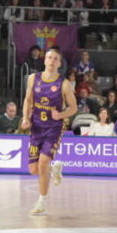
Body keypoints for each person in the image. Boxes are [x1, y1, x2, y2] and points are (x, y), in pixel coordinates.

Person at [20, 48, 77, 215]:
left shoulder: (64, 84)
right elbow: (27, 100)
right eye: (49, 57)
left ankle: (41, 201)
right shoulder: (33, 79)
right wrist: (25, 118)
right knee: (34, 169)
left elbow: (73, 108)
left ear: (59, 63)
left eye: (55, 58)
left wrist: (60, 114)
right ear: (44, 60)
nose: (51, 60)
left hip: (54, 127)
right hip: (36, 127)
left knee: (43, 162)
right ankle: (54, 170)